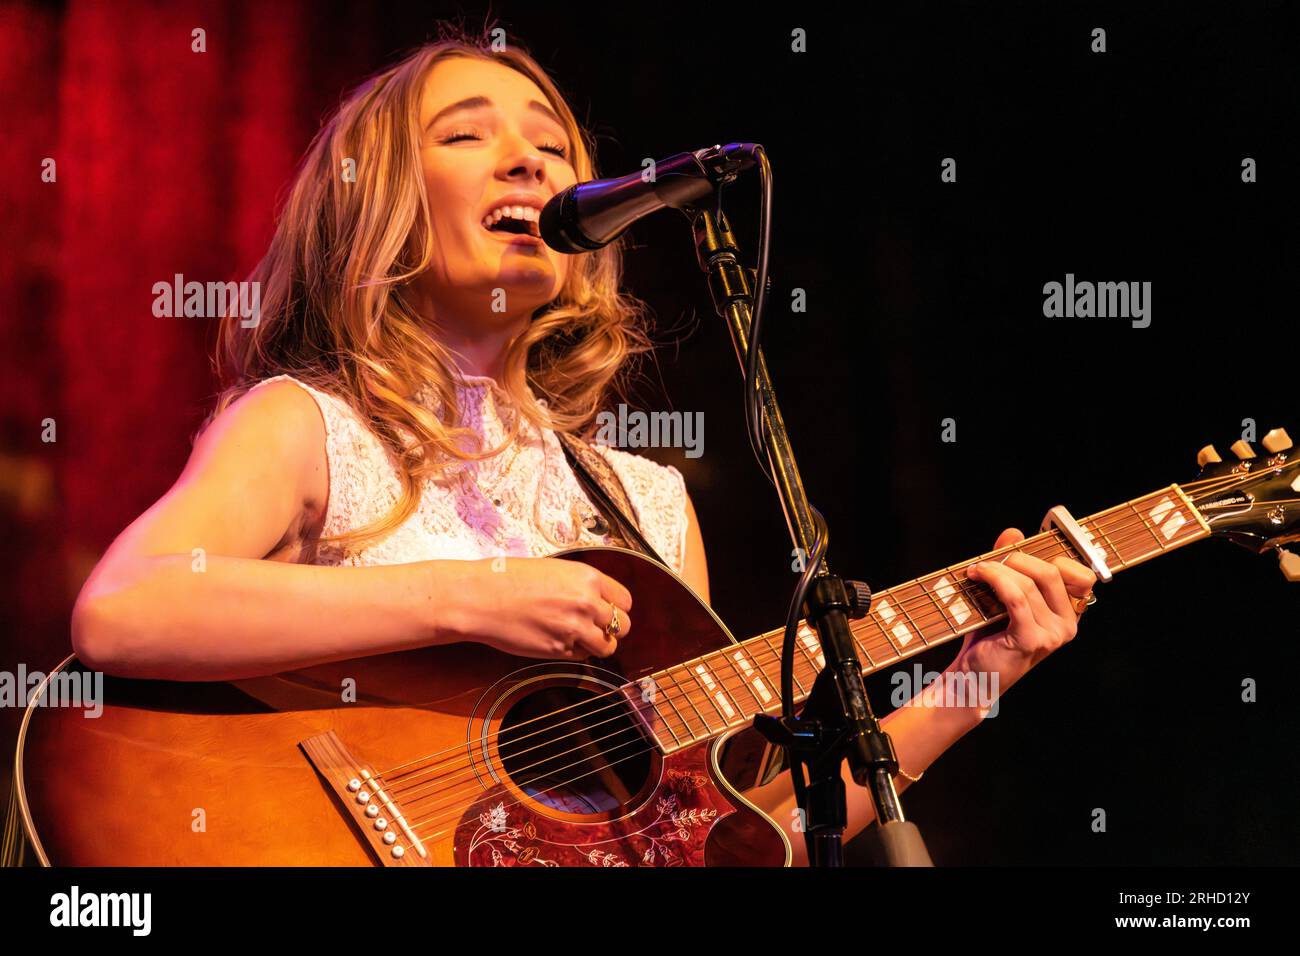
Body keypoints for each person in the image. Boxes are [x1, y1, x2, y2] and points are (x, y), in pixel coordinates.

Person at [69, 31, 1097, 867]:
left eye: (553, 148)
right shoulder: (308, 423)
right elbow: (125, 607)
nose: (528, 159)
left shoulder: (643, 506)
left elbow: (716, 846)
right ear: (375, 198)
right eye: (467, 135)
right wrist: (467, 594)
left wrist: (976, 678)